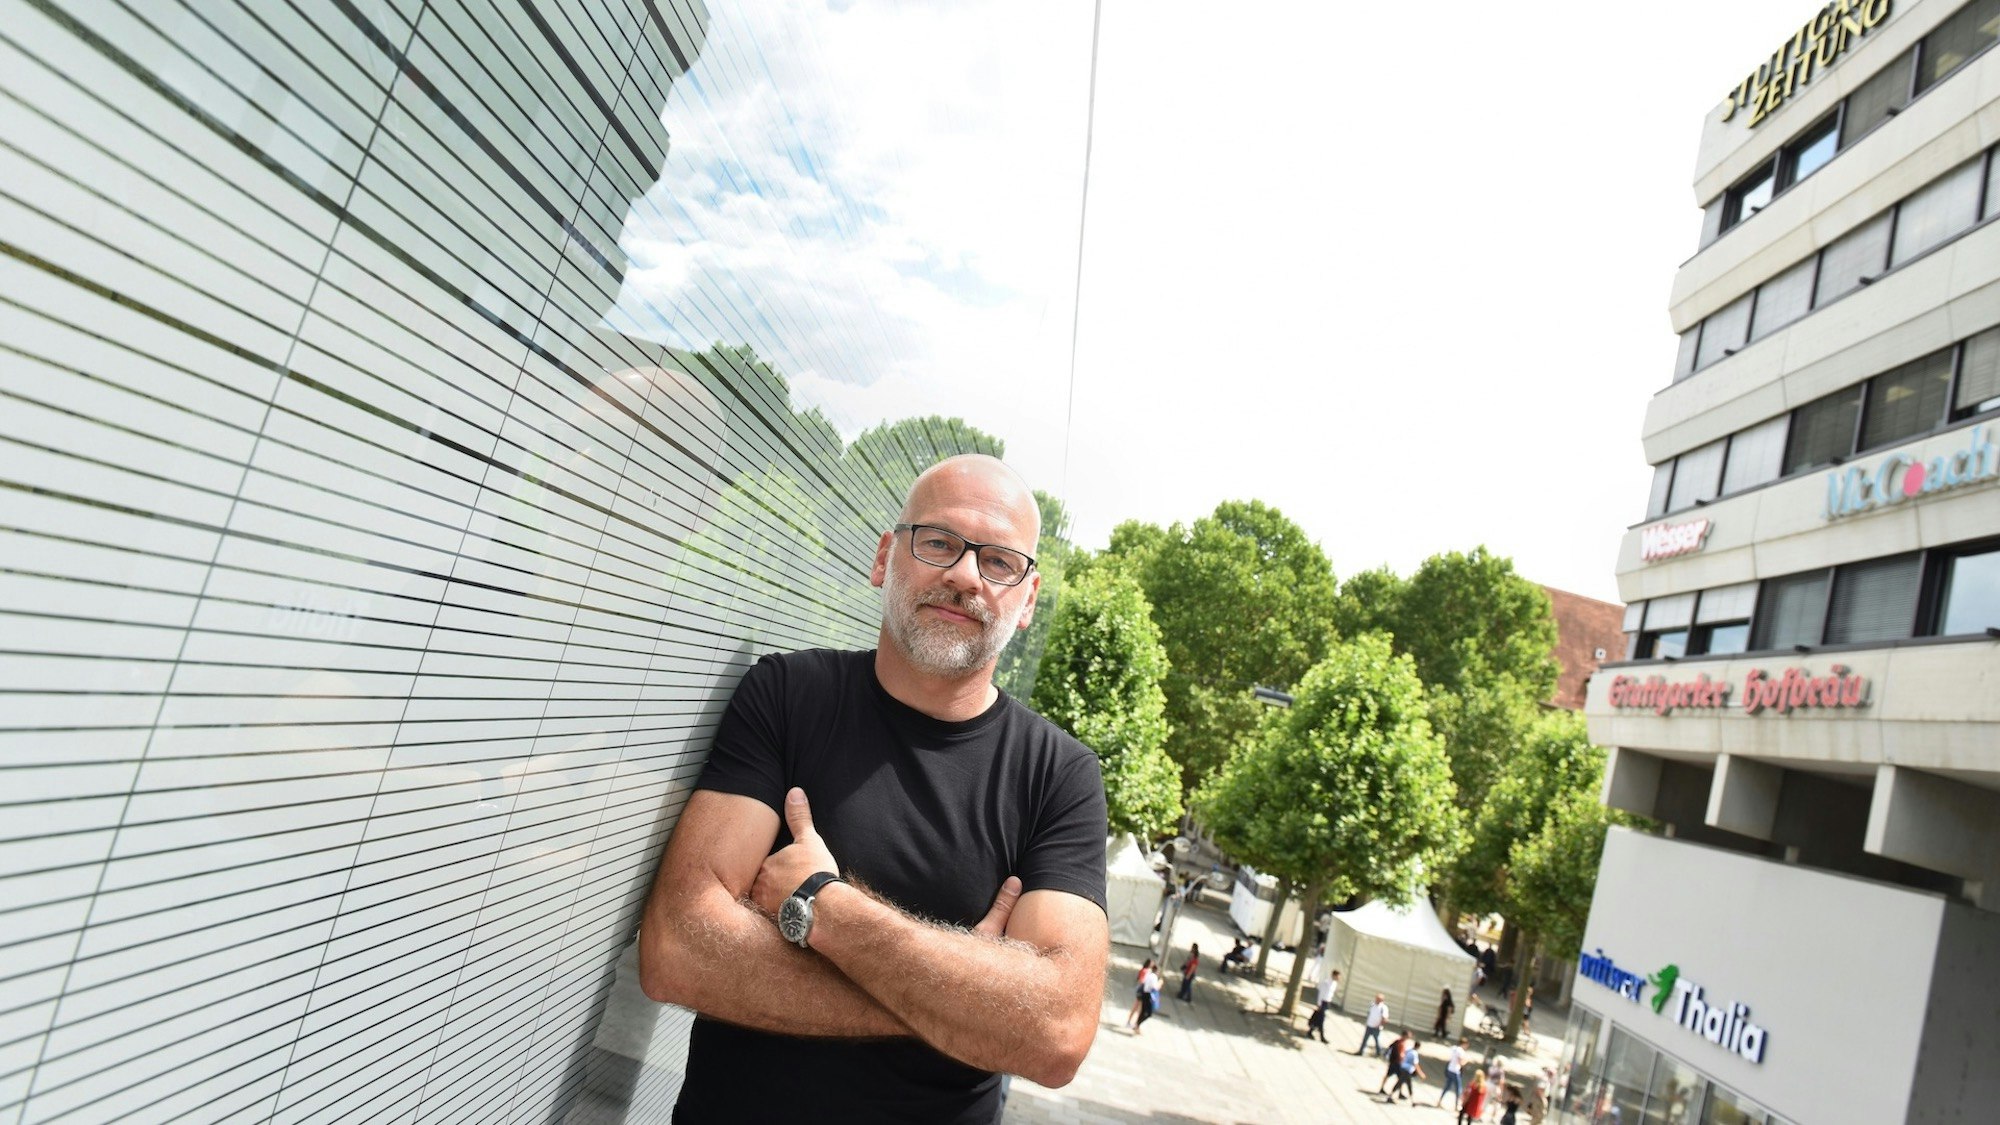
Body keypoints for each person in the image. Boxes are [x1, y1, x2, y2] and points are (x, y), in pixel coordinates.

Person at [638, 455, 1112, 1123]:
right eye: (939, 542)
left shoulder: (1060, 776)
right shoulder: (788, 696)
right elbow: (678, 948)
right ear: (885, 558)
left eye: (999, 561)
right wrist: (956, 1004)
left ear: (1027, 600)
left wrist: (822, 905)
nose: (964, 575)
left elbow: (1056, 1032)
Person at [1304, 970, 1340, 1042]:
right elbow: (1321, 994)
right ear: (1334, 975)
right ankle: (1322, 1036)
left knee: (1318, 1018)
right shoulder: (1326, 983)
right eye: (1337, 976)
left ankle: (1310, 1031)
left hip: (1327, 1002)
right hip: (1322, 1002)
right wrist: (1319, 1004)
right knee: (1321, 1019)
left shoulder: (1334, 984)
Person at [1386, 1038, 1424, 1103]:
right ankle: (1391, 1096)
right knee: (1401, 1083)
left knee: (1407, 1084)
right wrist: (1421, 1073)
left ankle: (1412, 1100)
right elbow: (1416, 1064)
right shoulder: (1414, 1053)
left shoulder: (1409, 1050)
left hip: (1403, 1068)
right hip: (1407, 1071)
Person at [1435, 1036, 1468, 1110]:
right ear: (1464, 1044)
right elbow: (1461, 1063)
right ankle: (1456, 1105)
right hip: (1455, 1071)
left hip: (1450, 1069)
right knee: (1458, 1089)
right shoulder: (1460, 1051)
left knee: (1447, 1086)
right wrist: (1466, 1061)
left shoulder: (1454, 1048)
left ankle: (1439, 1101)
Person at [1126, 959, 1157, 1029]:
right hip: (1141, 991)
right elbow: (1141, 980)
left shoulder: (1148, 971)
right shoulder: (1145, 971)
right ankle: (1131, 1022)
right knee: (1137, 1007)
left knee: (1139, 1008)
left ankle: (1134, 1023)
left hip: (1143, 991)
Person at [1133, 962, 1163, 1034]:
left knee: (1143, 1011)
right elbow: (1155, 987)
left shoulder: (1149, 975)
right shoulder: (1153, 977)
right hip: (1148, 995)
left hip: (1144, 993)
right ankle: (1138, 1024)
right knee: (1148, 1013)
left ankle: (1137, 1025)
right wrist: (1160, 983)